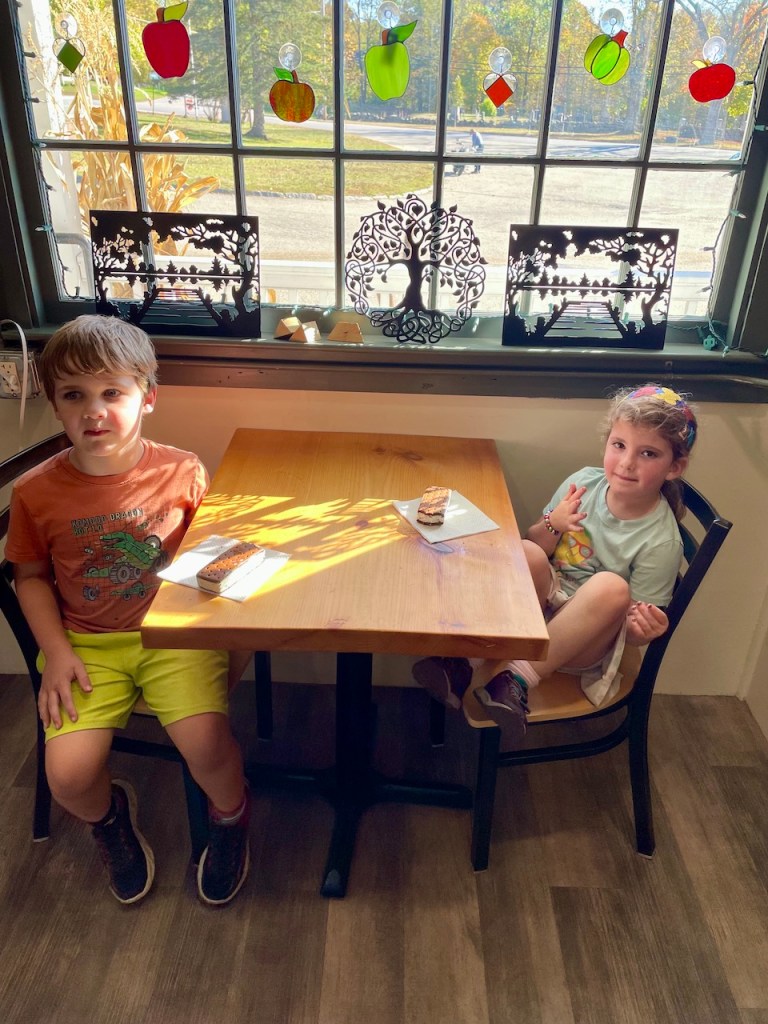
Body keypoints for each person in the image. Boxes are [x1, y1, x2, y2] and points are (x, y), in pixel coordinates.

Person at [6, 315, 249, 906]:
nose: (94, 411)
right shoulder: (35, 493)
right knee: (67, 777)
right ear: (55, 406)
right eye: (75, 396)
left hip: (173, 636)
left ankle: (231, 818)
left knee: (210, 748)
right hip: (87, 645)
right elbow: (30, 578)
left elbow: (216, 548)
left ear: (147, 398)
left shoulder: (182, 470)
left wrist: (233, 620)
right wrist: (56, 654)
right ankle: (110, 818)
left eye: (112, 393)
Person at [412, 385, 698, 747]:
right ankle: (463, 663)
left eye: (648, 454)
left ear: (675, 467)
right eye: (619, 445)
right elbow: (537, 541)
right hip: (544, 607)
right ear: (607, 442)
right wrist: (554, 524)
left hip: (585, 640)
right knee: (527, 551)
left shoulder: (661, 539)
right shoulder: (583, 483)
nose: (627, 463)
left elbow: (633, 631)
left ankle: (515, 681)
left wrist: (646, 628)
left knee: (611, 586)